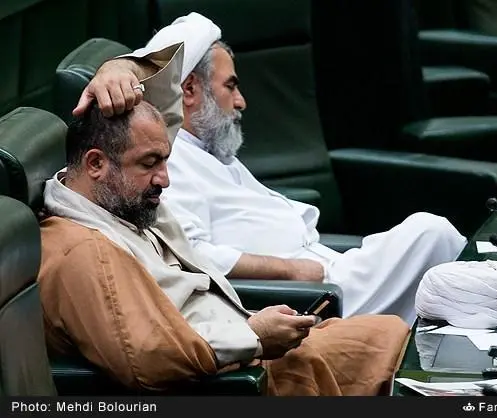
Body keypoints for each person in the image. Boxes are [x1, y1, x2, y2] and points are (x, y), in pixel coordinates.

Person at [76, 12, 467, 324]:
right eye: (231, 86)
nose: (241, 101)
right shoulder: (168, 155)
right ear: (189, 90)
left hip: (329, 268)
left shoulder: (208, 151)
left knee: (456, 270)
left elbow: (200, 24)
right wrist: (123, 67)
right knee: (431, 233)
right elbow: (195, 255)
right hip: (309, 294)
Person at [38, 95, 410, 395]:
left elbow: (169, 96)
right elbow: (146, 359)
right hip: (236, 380)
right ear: (95, 163)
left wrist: (124, 69)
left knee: (390, 334)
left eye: (165, 161)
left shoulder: (114, 202)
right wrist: (254, 336)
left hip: (244, 342)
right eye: (150, 163)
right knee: (391, 348)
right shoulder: (81, 251)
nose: (164, 180)